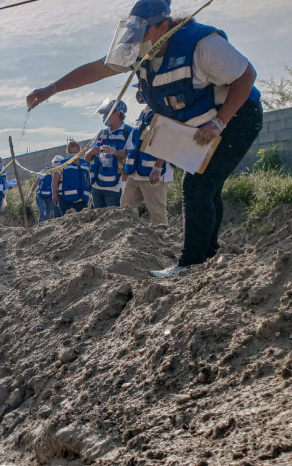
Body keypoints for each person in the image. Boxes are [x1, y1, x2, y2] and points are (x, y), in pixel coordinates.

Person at [26, 0, 263, 277]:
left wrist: (219, 121)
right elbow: (96, 69)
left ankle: (190, 264)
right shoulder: (138, 51)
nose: (135, 40)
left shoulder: (201, 44)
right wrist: (50, 89)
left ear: (164, 26)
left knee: (198, 186)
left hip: (238, 116)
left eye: (143, 32)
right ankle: (208, 255)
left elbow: (247, 76)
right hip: (201, 123)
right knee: (207, 186)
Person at [120, 86, 172, 225]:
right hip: (136, 173)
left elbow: (168, 141)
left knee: (157, 214)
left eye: (141, 89)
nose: (139, 93)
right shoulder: (144, 113)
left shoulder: (163, 110)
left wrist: (157, 167)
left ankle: (160, 244)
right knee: (124, 210)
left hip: (154, 174)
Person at [85, 99, 130, 208]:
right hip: (96, 186)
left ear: (117, 114)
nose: (104, 117)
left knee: (114, 219)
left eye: (106, 113)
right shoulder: (101, 133)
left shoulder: (127, 133)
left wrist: (114, 152)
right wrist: (91, 152)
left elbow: (130, 157)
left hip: (115, 187)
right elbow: (86, 158)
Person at [53, 140, 91, 215]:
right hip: (65, 199)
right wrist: (54, 194)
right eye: (71, 152)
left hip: (82, 199)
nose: (73, 154)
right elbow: (55, 180)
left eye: (76, 152)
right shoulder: (61, 164)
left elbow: (88, 180)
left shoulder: (86, 164)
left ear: (80, 152)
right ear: (67, 152)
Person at [29, 156, 63, 223]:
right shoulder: (46, 171)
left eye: (58, 162)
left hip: (51, 197)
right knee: (43, 212)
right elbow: (37, 182)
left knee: (48, 214)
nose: (56, 164)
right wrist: (31, 191)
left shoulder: (61, 172)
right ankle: (39, 229)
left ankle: (45, 230)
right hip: (41, 196)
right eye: (55, 162)